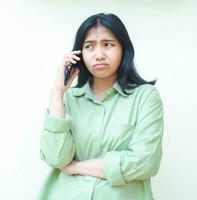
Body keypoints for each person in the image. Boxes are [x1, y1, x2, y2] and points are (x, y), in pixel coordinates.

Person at [38, 12, 164, 200]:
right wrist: (57, 92)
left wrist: (76, 167)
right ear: (80, 54)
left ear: (123, 49)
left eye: (108, 44)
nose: (99, 55)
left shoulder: (145, 97)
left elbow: (145, 162)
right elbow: (56, 158)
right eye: (89, 46)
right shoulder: (68, 99)